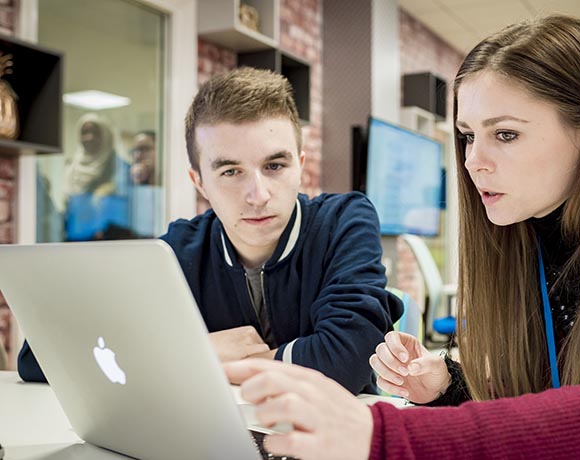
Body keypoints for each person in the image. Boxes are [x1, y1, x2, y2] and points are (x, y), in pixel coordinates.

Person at [223, 15, 580, 460]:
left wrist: (376, 436)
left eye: (505, 134)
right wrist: (451, 385)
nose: (473, 162)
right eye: (467, 136)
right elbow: (560, 397)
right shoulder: (536, 229)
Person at [18, 68, 403, 395]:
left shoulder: (343, 222)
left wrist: (197, 364)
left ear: (299, 166)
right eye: (230, 171)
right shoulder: (177, 252)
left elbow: (348, 359)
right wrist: (196, 351)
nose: (258, 195)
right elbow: (37, 357)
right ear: (199, 182)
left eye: (274, 166)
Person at [62, 113, 132, 241]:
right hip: (75, 243)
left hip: (111, 244)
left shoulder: (119, 168)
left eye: (95, 133)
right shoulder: (72, 169)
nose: (89, 137)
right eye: (84, 132)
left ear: (105, 136)